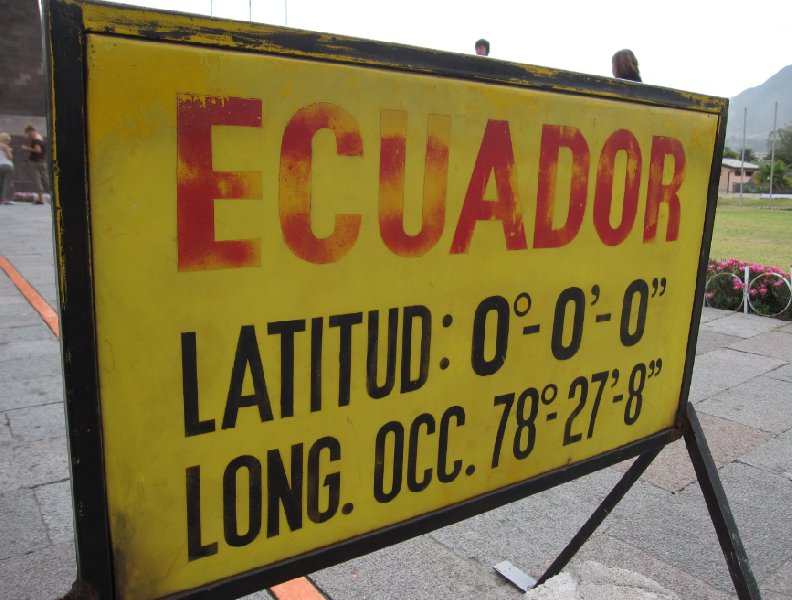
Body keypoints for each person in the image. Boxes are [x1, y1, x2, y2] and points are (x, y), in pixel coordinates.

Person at [21, 124, 49, 204]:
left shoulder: (35, 140)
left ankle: (40, 199)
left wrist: (26, 148)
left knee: (37, 180)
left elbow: (38, 150)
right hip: (42, 162)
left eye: (29, 134)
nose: (29, 136)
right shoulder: (41, 138)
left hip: (35, 163)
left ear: (32, 131)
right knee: (45, 180)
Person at [0, 133, 14, 205]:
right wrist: (9, 151)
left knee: (1, 183)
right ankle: (5, 199)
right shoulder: (5, 146)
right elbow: (9, 157)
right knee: (7, 183)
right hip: (7, 166)